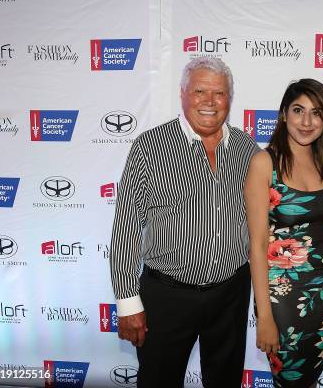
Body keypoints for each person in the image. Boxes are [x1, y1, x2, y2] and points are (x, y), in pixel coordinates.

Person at [109, 57, 259, 387]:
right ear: (182, 94)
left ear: (229, 99)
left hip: (230, 294)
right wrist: (128, 302)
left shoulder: (248, 149)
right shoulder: (150, 146)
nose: (209, 102)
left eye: (218, 93)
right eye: (199, 91)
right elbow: (126, 228)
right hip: (167, 297)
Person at [244, 79, 323, 388]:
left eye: (316, 113)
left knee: (310, 377)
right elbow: (258, 247)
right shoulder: (265, 163)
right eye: (298, 110)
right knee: (290, 379)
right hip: (283, 295)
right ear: (284, 114)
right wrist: (265, 318)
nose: (307, 121)